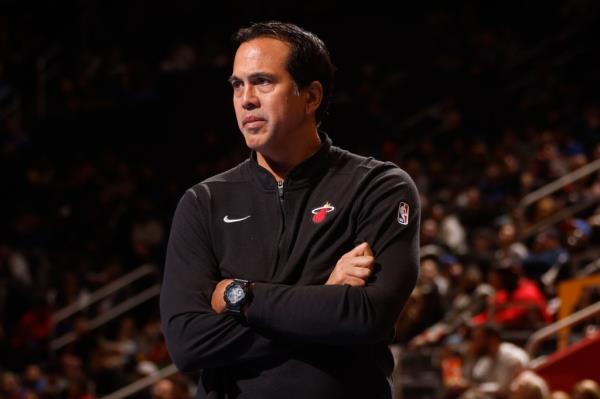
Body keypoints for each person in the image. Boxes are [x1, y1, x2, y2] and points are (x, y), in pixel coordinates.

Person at [160, 21, 420, 399]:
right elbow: (188, 344)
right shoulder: (204, 202)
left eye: (263, 81)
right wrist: (325, 293)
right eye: (237, 85)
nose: (246, 98)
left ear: (311, 96)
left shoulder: (378, 186)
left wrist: (240, 295)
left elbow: (365, 316)